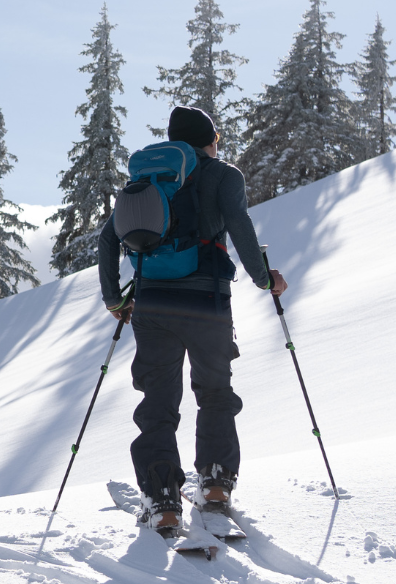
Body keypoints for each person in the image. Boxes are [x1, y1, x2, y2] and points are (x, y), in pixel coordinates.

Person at [98, 106, 288, 534]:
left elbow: (108, 239)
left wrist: (114, 299)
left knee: (158, 404)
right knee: (216, 391)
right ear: (211, 139)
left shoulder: (149, 179)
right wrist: (264, 279)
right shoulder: (224, 175)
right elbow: (239, 226)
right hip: (208, 301)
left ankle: (163, 501)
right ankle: (216, 484)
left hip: (153, 305)